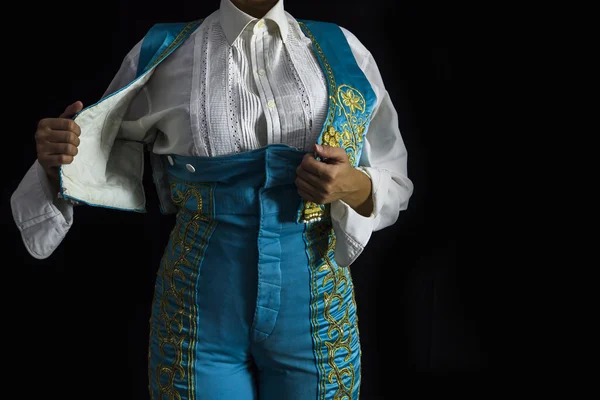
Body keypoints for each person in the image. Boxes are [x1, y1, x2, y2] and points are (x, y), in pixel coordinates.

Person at [11, 0, 413, 398]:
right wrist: (59, 157)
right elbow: (91, 148)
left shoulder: (344, 49)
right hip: (197, 312)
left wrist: (354, 186)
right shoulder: (165, 51)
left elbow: (395, 179)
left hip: (317, 311)